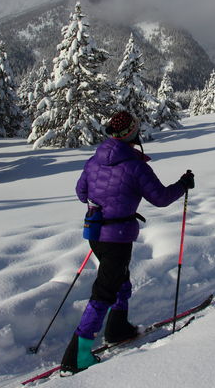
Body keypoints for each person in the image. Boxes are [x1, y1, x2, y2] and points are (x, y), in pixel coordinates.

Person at [60, 110, 195, 375]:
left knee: (119, 278)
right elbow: (160, 198)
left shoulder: (94, 160)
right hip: (118, 236)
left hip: (96, 233)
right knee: (105, 290)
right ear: (132, 133)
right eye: (136, 128)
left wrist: (103, 201)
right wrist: (183, 184)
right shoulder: (135, 166)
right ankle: (77, 355)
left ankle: (117, 328)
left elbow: (81, 193)